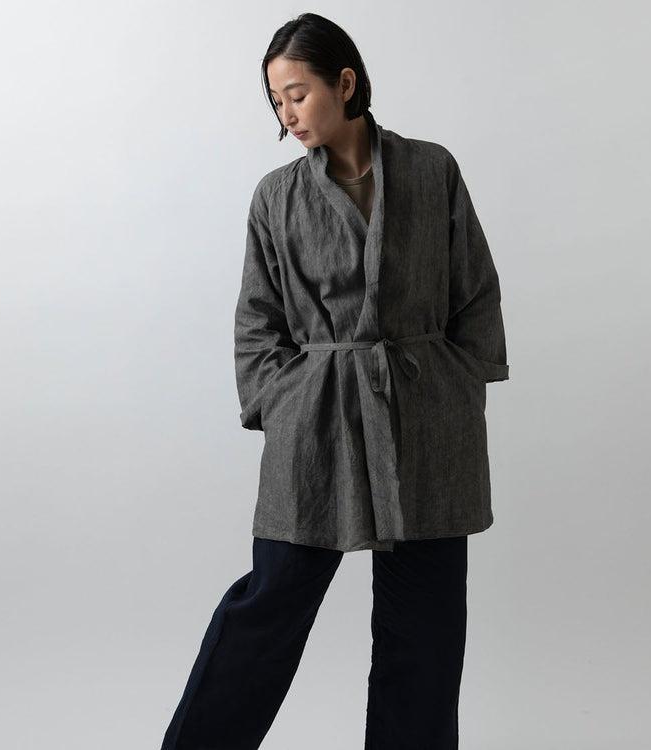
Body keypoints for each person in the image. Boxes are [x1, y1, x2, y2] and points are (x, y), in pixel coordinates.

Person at [162, 12, 509, 749]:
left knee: (425, 627)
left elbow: (474, 291)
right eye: (276, 102)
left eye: (297, 94)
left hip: (425, 418)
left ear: (344, 83)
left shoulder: (431, 171)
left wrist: (457, 387)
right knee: (269, 602)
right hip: (317, 415)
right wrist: (282, 403)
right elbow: (257, 322)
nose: (286, 115)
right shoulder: (276, 197)